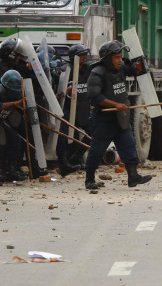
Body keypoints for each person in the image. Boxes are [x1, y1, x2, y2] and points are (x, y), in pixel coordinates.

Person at [84, 40, 154, 189]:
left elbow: (131, 70)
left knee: (129, 145)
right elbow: (94, 96)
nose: (119, 60)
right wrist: (115, 105)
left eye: (120, 57)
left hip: (121, 118)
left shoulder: (121, 67)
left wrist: (137, 68)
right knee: (97, 150)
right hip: (104, 119)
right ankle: (89, 179)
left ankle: (133, 177)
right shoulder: (97, 73)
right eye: (116, 57)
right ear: (108, 59)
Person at [57, 44, 91, 175]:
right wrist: (65, 90)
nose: (85, 57)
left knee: (93, 132)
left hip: (83, 107)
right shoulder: (66, 70)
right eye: (82, 55)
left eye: (85, 54)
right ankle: (65, 163)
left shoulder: (89, 69)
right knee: (66, 135)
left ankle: (77, 156)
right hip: (67, 107)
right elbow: (57, 91)